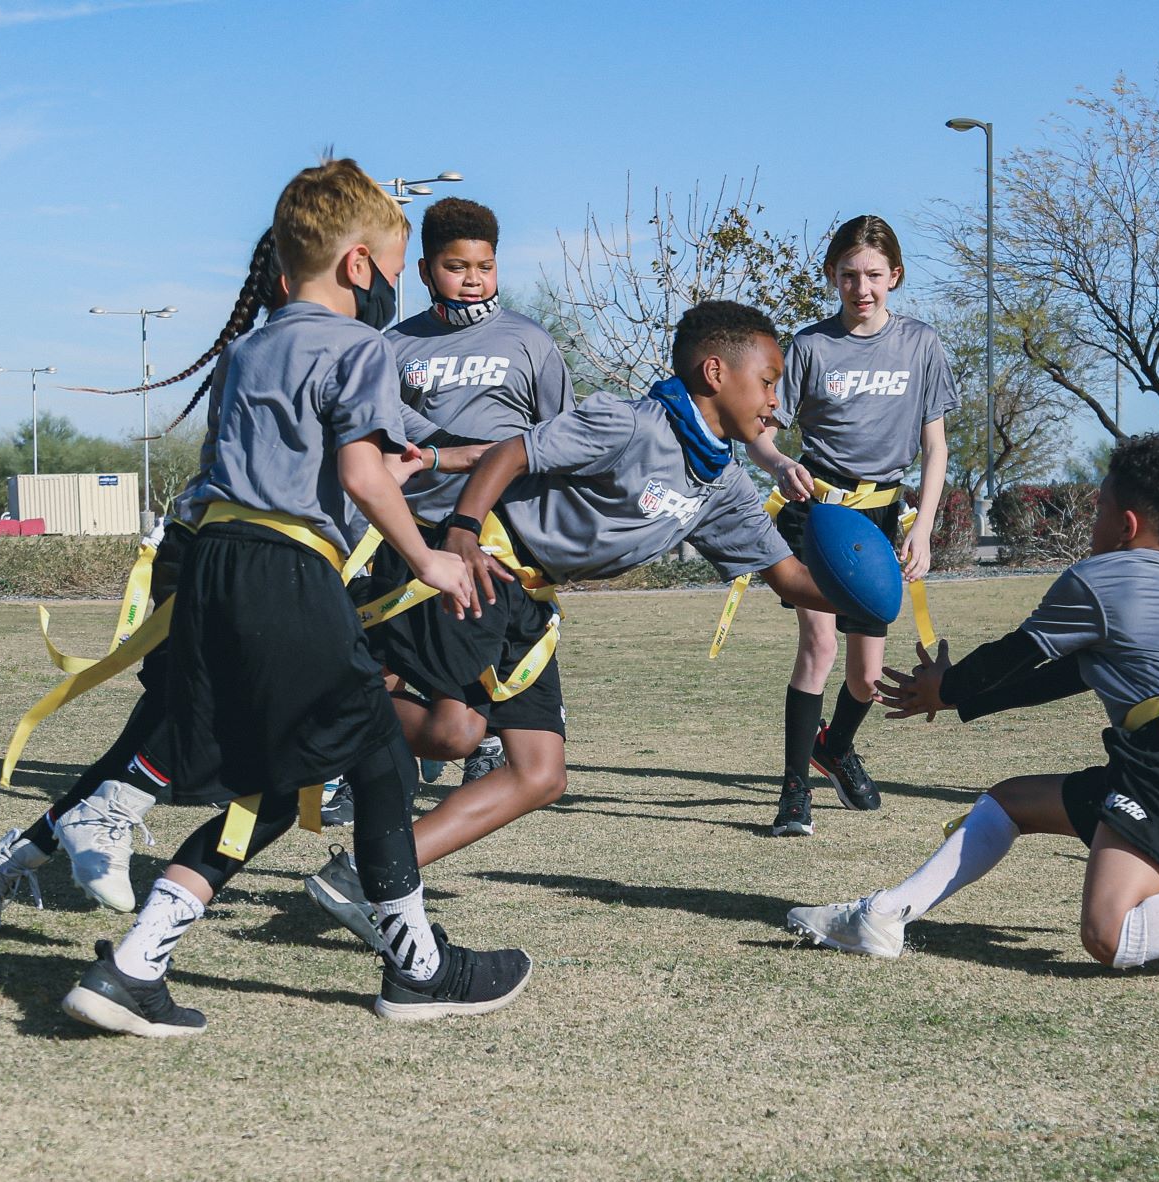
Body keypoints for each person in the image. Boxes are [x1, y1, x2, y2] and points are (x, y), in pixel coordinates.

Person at [58, 158, 529, 1037]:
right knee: (382, 758)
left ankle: (134, 963)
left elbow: (273, 470)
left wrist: (373, 472)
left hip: (214, 568)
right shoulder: (360, 346)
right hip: (286, 574)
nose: (395, 284)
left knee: (278, 780)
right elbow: (354, 475)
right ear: (360, 266)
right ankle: (419, 970)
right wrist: (427, 555)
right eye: (394, 267)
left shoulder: (251, 346)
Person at [305, 300, 849, 947]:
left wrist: (874, 597)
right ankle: (312, 702)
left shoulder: (722, 485)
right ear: (714, 372)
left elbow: (789, 578)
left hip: (529, 601)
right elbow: (508, 454)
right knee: (455, 734)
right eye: (768, 380)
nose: (776, 403)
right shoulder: (628, 423)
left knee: (539, 773)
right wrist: (462, 531)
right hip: (483, 564)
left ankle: (364, 878)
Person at [788, 434, 1159, 978]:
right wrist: (956, 703)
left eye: (1100, 506)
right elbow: (1063, 676)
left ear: (1126, 523)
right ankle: (886, 916)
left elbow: (1016, 655)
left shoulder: (1098, 578)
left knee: (1109, 934)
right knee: (1010, 802)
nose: (1094, 516)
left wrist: (945, 689)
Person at [0, 230, 284, 937]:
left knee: (174, 749)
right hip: (217, 562)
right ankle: (395, 922)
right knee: (188, 737)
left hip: (291, 572)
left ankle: (21, 857)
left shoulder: (344, 349)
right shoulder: (265, 355)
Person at [743, 215, 957, 837]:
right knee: (820, 647)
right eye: (848, 275)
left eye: (872, 275)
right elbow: (761, 433)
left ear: (895, 276)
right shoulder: (808, 347)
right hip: (820, 512)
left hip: (883, 517)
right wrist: (781, 464)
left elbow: (936, 447)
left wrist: (921, 528)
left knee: (866, 677)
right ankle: (793, 796)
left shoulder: (921, 344)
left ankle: (834, 748)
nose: (861, 288)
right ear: (832, 277)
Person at [362, 196, 576, 799]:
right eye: (457, 267)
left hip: (501, 541)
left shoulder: (530, 342)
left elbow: (559, 439)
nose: (474, 279)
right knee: (392, 674)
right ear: (427, 269)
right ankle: (359, 763)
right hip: (415, 539)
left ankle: (480, 743)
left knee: (469, 712)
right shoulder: (392, 347)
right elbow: (377, 448)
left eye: (486, 265)